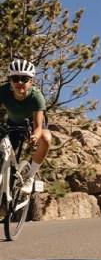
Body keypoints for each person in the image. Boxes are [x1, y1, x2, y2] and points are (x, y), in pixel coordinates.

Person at [0, 58, 51, 194]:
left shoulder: (36, 96)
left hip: (31, 126)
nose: (20, 82)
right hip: (12, 125)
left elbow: (39, 125)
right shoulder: (3, 91)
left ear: (31, 81)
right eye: (15, 78)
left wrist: (35, 136)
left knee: (45, 138)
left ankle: (30, 177)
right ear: (10, 80)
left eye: (25, 79)